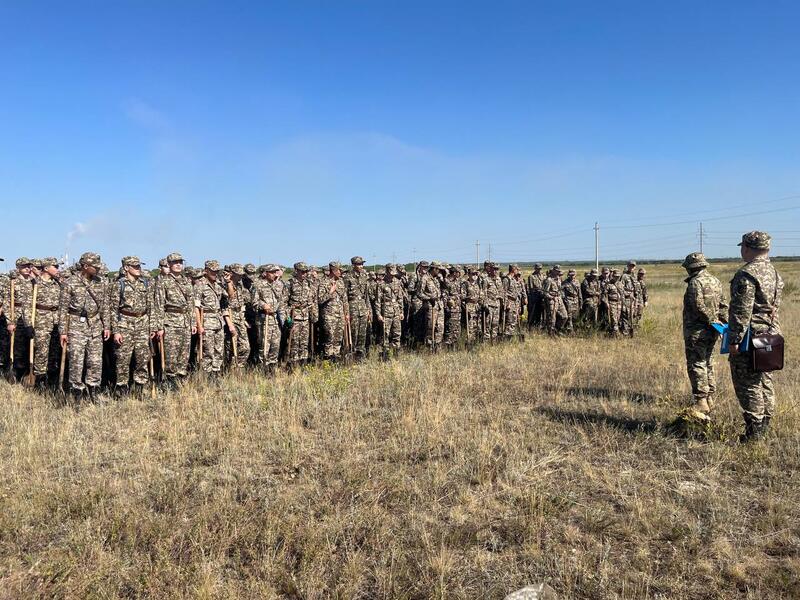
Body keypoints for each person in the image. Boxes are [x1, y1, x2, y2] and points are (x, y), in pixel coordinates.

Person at [728, 231, 783, 441]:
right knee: (764, 378)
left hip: (752, 336)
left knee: (748, 382)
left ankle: (754, 431)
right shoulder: (774, 272)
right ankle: (765, 422)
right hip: (771, 334)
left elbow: (742, 311)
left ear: (748, 248)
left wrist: (734, 340)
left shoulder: (747, 274)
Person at [58, 252, 111, 401]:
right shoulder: (70, 283)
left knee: (95, 361)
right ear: (85, 266)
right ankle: (77, 393)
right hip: (75, 325)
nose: (98, 269)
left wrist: (107, 326)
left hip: (95, 325)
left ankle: (94, 390)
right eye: (95, 266)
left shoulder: (101, 282)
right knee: (76, 360)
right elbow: (63, 309)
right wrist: (63, 331)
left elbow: (105, 306)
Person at [681, 252, 726, 417]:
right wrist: (722, 324)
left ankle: (701, 401)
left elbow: (698, 306)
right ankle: (710, 397)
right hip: (713, 331)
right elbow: (723, 305)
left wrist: (712, 320)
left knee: (697, 363)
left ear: (691, 267)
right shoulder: (716, 281)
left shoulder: (695, 283)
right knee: (708, 362)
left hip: (697, 331)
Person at [112, 256, 160, 396]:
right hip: (125, 324)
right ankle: (122, 389)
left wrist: (152, 327)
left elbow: (151, 307)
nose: (139, 269)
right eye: (135, 266)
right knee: (123, 359)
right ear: (126, 268)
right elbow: (113, 310)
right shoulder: (119, 284)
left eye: (140, 266)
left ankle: (140, 388)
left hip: (142, 324)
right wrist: (116, 331)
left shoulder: (145, 283)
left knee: (142, 358)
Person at [154, 252, 194, 389]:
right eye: (175, 262)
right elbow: (158, 305)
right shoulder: (163, 282)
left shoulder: (186, 282)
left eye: (180, 262)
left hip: (185, 322)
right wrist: (159, 327)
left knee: (184, 354)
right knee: (171, 354)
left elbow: (191, 304)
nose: (178, 265)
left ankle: (181, 378)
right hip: (170, 322)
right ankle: (170, 382)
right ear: (169, 265)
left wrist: (192, 322)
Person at [318, 261, 349, 361]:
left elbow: (345, 300)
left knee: (338, 337)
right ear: (334, 270)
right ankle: (328, 358)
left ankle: (336, 356)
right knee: (329, 337)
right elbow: (320, 299)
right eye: (339, 270)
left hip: (340, 314)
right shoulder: (323, 283)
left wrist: (347, 314)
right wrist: (330, 291)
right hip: (328, 315)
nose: (340, 272)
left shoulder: (340, 282)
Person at [344, 256, 371, 361]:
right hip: (353, 308)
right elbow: (344, 296)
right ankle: (351, 355)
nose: (361, 266)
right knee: (353, 333)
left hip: (363, 307)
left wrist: (368, 310)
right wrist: (346, 312)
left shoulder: (364, 276)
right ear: (353, 265)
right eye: (359, 264)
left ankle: (360, 356)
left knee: (362, 334)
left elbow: (366, 295)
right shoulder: (347, 277)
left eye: (362, 264)